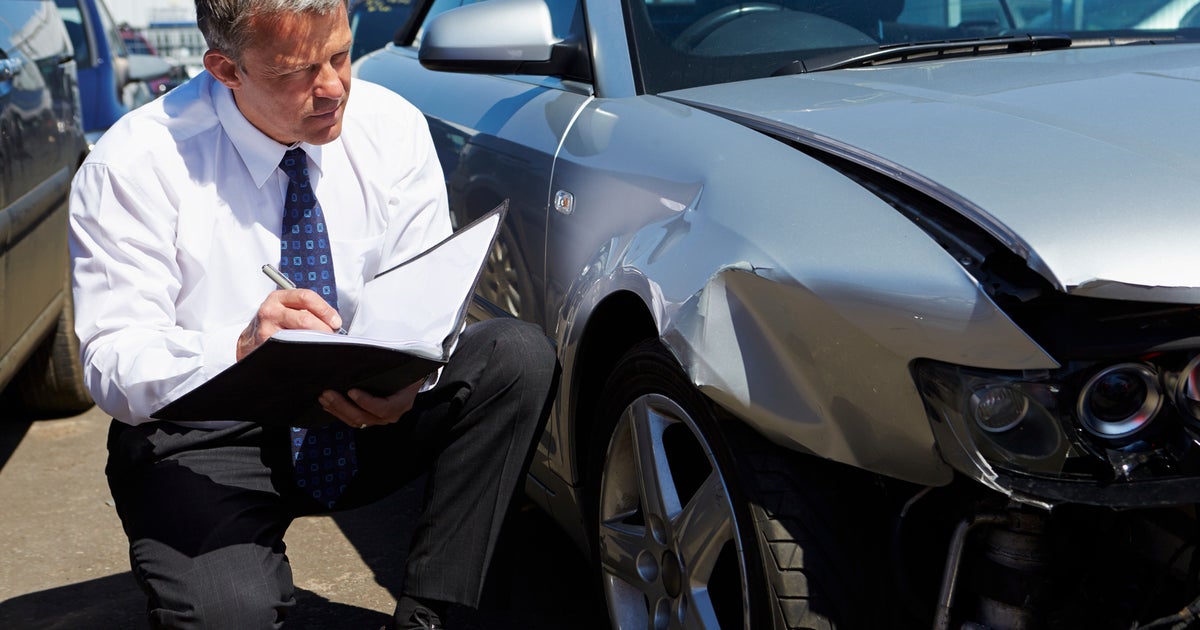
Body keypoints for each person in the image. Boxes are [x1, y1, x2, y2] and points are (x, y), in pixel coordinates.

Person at [67, 0, 558, 628]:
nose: (332, 88)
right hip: (210, 429)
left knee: (514, 357)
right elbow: (112, 362)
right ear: (225, 69)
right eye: (295, 72)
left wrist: (414, 377)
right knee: (230, 615)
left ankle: (436, 615)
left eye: (340, 55)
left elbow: (427, 298)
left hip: (366, 408)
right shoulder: (135, 162)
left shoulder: (390, 126)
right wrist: (242, 348)